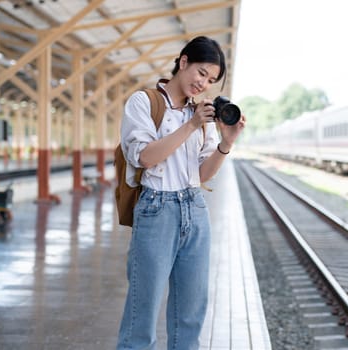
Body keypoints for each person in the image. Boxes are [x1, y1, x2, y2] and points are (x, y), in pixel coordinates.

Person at [116, 36, 245, 350]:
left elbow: (202, 174)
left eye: (211, 80)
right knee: (141, 315)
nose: (204, 84)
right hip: (156, 209)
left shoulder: (203, 116)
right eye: (201, 73)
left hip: (195, 209)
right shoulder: (144, 102)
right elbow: (145, 157)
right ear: (183, 61)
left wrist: (226, 143)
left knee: (190, 315)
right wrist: (190, 125)